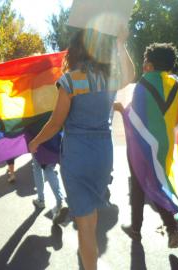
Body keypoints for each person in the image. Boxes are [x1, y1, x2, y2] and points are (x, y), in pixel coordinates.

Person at [29, 27, 134, 270]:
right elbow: (130, 75)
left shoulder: (70, 80)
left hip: (77, 155)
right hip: (104, 154)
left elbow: (56, 123)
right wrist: (120, 43)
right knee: (91, 215)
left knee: (84, 225)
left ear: (75, 49)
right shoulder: (108, 78)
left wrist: (35, 141)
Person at [115, 43, 178, 248]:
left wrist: (120, 109)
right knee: (149, 182)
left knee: (144, 184)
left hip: (143, 144)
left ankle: (164, 229)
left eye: (145, 61)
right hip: (165, 144)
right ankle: (141, 228)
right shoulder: (175, 84)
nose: (143, 65)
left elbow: (135, 117)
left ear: (151, 66)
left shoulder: (144, 84)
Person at [31, 156, 68, 224]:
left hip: (39, 147)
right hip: (52, 147)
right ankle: (60, 200)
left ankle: (41, 199)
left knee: (37, 167)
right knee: (49, 169)